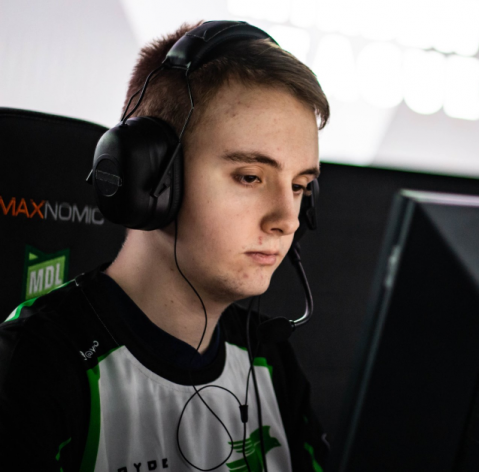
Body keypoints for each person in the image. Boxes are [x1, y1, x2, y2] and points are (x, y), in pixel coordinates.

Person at [0, 20, 330, 471]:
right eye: (250, 177)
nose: (287, 219)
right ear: (150, 178)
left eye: (298, 186)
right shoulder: (37, 367)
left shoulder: (271, 361)